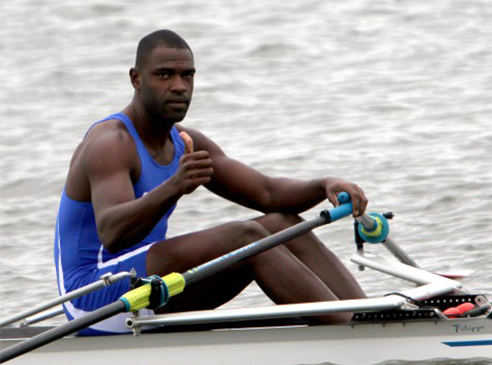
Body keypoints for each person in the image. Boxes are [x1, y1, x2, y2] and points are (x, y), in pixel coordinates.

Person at [54, 29, 368, 335]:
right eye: (164, 75)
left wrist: (324, 184)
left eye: (187, 76)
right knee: (245, 236)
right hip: (94, 299)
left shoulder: (185, 141)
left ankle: (366, 315)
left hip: (147, 286)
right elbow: (113, 233)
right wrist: (175, 185)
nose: (179, 86)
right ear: (136, 79)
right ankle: (350, 334)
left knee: (281, 224)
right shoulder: (111, 144)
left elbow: (268, 193)